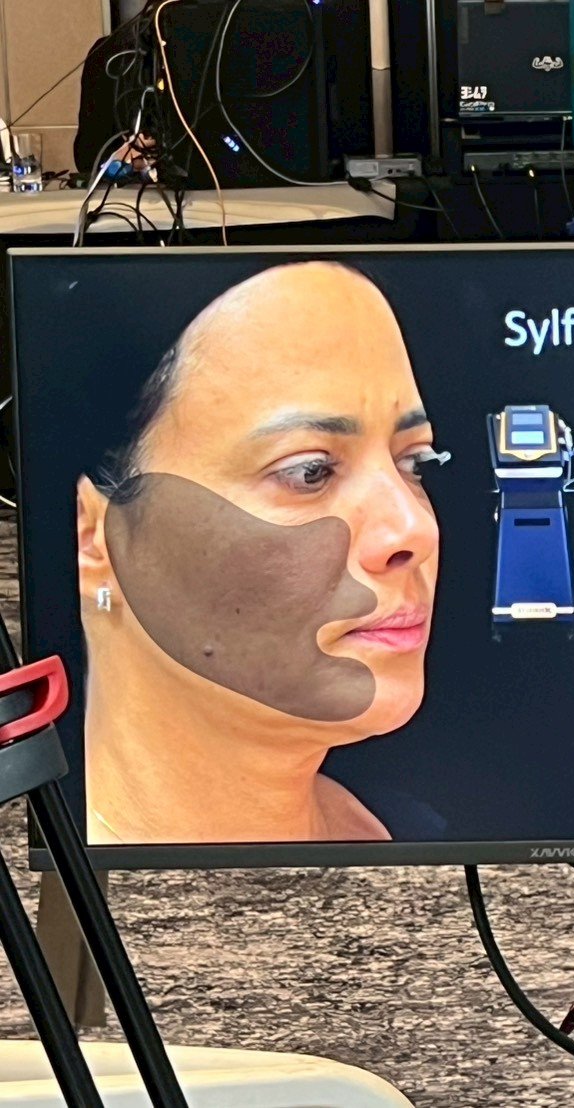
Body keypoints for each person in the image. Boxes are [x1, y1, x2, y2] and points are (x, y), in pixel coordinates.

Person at [76, 262, 444, 844]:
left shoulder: (412, 832)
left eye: (413, 462)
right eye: (310, 471)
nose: (413, 529)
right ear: (94, 535)